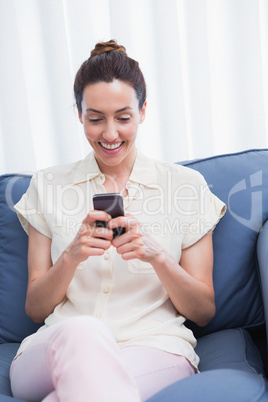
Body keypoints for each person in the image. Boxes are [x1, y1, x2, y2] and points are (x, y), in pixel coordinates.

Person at [10, 40, 226, 402]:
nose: (110, 134)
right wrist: (71, 256)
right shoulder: (47, 186)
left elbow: (203, 311)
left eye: (123, 118)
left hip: (154, 347)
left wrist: (158, 256)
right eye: (95, 119)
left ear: (143, 112)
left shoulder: (185, 186)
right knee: (84, 332)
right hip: (58, 343)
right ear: (80, 116)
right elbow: (35, 309)